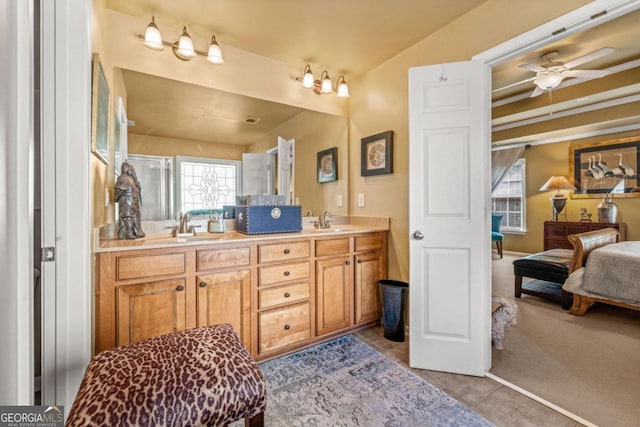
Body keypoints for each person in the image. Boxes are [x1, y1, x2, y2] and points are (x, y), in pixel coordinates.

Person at [114, 161, 145, 239]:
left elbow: (118, 192)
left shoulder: (132, 180)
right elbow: (118, 191)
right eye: (131, 168)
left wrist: (116, 198)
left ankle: (133, 232)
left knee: (131, 217)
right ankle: (129, 233)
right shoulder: (124, 178)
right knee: (128, 217)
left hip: (132, 201)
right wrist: (116, 198)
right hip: (127, 201)